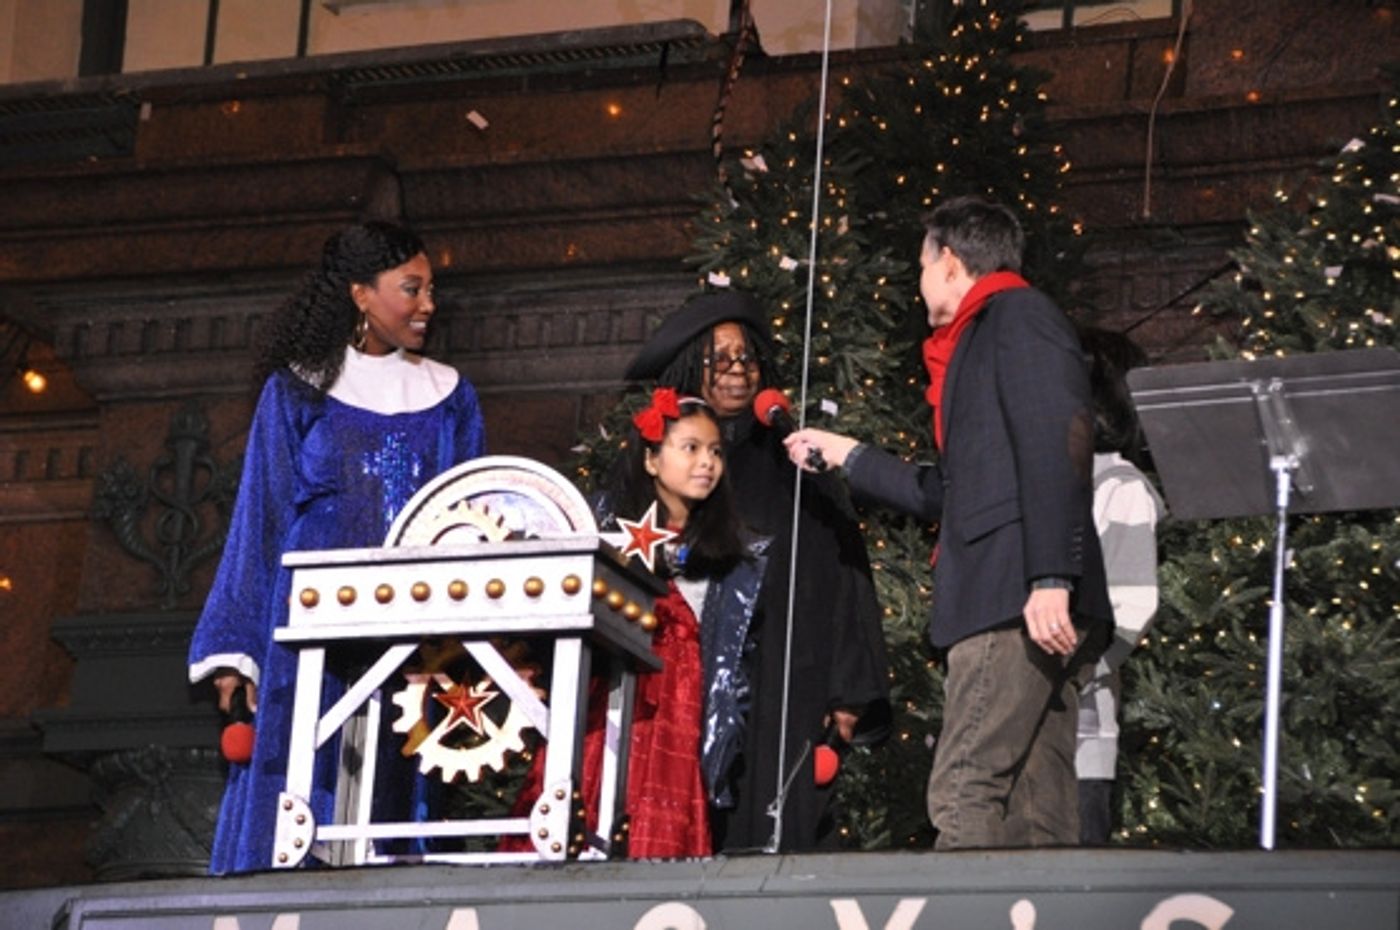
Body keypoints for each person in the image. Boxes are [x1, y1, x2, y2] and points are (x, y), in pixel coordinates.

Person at [784, 196, 1112, 850]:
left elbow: (1060, 441)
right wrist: (850, 454)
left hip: (1010, 595)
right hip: (1019, 591)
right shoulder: (987, 336)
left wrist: (1050, 574)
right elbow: (953, 493)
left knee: (965, 784)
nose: (917, 283)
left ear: (951, 262)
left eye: (922, 265)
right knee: (1036, 806)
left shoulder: (1016, 317)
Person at [187, 221, 487, 874]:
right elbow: (259, 520)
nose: (428, 304)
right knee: (303, 781)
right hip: (306, 632)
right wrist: (235, 650)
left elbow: (470, 520)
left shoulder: (451, 397)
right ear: (360, 293)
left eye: (431, 288)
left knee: (392, 783)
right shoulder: (294, 390)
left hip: (414, 630)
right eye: (412, 288)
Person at [624, 291, 891, 853]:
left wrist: (850, 690)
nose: (738, 370)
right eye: (719, 357)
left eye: (746, 357)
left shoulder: (794, 461)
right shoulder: (661, 467)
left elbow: (846, 576)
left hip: (786, 684)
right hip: (677, 692)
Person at [503, 388, 768, 857]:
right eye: (690, 448)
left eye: (715, 452)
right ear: (651, 460)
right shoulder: (599, 536)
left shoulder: (733, 561)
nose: (706, 462)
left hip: (679, 736)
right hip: (602, 724)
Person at [1074, 326, 1165, 845]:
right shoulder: (1060, 477)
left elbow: (1133, 606)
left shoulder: (1118, 484)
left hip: (1081, 738)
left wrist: (1072, 672)